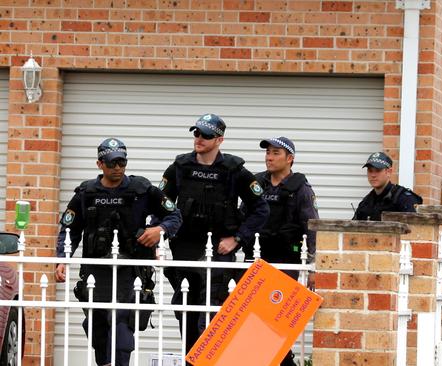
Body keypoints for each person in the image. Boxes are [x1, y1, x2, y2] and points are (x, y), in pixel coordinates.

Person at [54, 138, 182, 366]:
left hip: (131, 270)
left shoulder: (141, 189)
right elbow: (70, 229)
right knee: (97, 325)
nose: (118, 168)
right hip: (96, 270)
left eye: (122, 162)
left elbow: (174, 216)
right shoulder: (86, 193)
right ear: (99, 164)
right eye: (112, 163)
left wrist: (159, 230)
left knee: (121, 322)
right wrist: (62, 260)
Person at [160, 113, 269, 355]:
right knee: (185, 309)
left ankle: (208, 358)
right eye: (196, 133)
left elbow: (261, 208)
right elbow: (162, 207)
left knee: (212, 311)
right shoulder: (179, 168)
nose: (199, 139)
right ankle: (191, 357)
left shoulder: (235, 171)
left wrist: (238, 238)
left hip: (218, 251)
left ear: (219, 140)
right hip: (185, 249)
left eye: (206, 135)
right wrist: (159, 241)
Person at [241, 136, 319, 366]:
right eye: (267, 153)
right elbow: (243, 216)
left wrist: (314, 266)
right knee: (253, 321)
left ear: (290, 158)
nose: (269, 157)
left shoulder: (301, 189)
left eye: (275, 153)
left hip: (287, 263)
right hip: (256, 260)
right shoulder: (257, 184)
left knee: (275, 323)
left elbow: (312, 228)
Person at [352, 151, 422, 221]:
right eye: (370, 170)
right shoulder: (366, 202)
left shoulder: (404, 199)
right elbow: (352, 229)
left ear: (389, 172)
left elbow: (416, 228)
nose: (373, 175)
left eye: (378, 170)